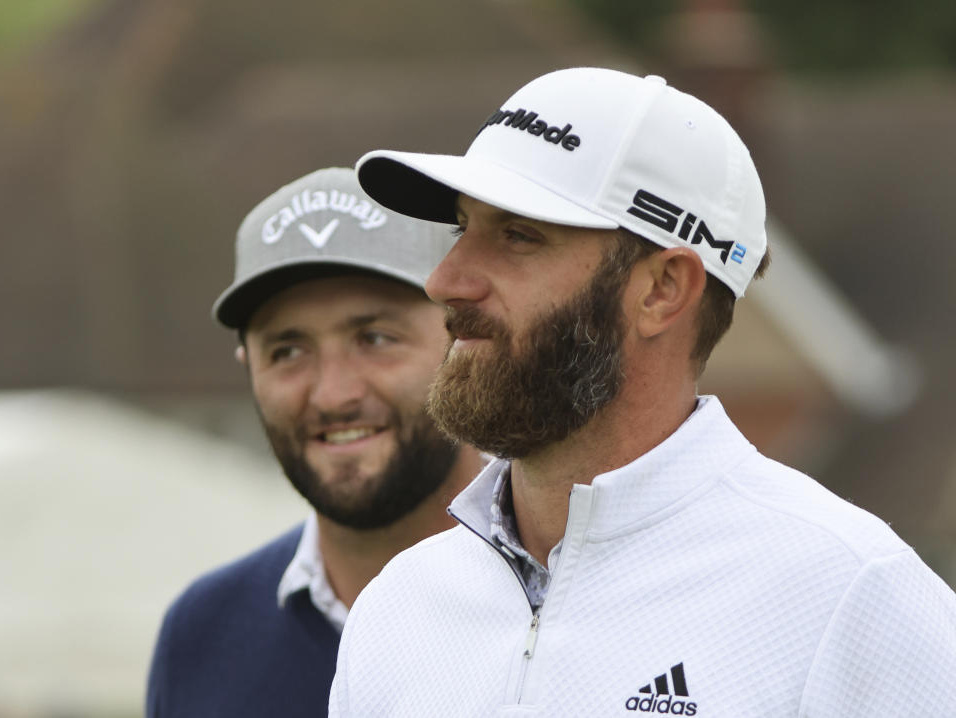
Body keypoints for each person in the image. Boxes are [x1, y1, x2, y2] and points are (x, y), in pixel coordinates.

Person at [330, 69, 956, 716]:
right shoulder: (399, 607)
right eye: (464, 229)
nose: (444, 279)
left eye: (518, 235)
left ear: (662, 290)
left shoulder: (850, 592)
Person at [145, 167, 484, 717]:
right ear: (247, 367)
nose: (333, 394)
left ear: (465, 339)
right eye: (287, 351)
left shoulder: (562, 602)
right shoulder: (202, 634)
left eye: (375, 338)